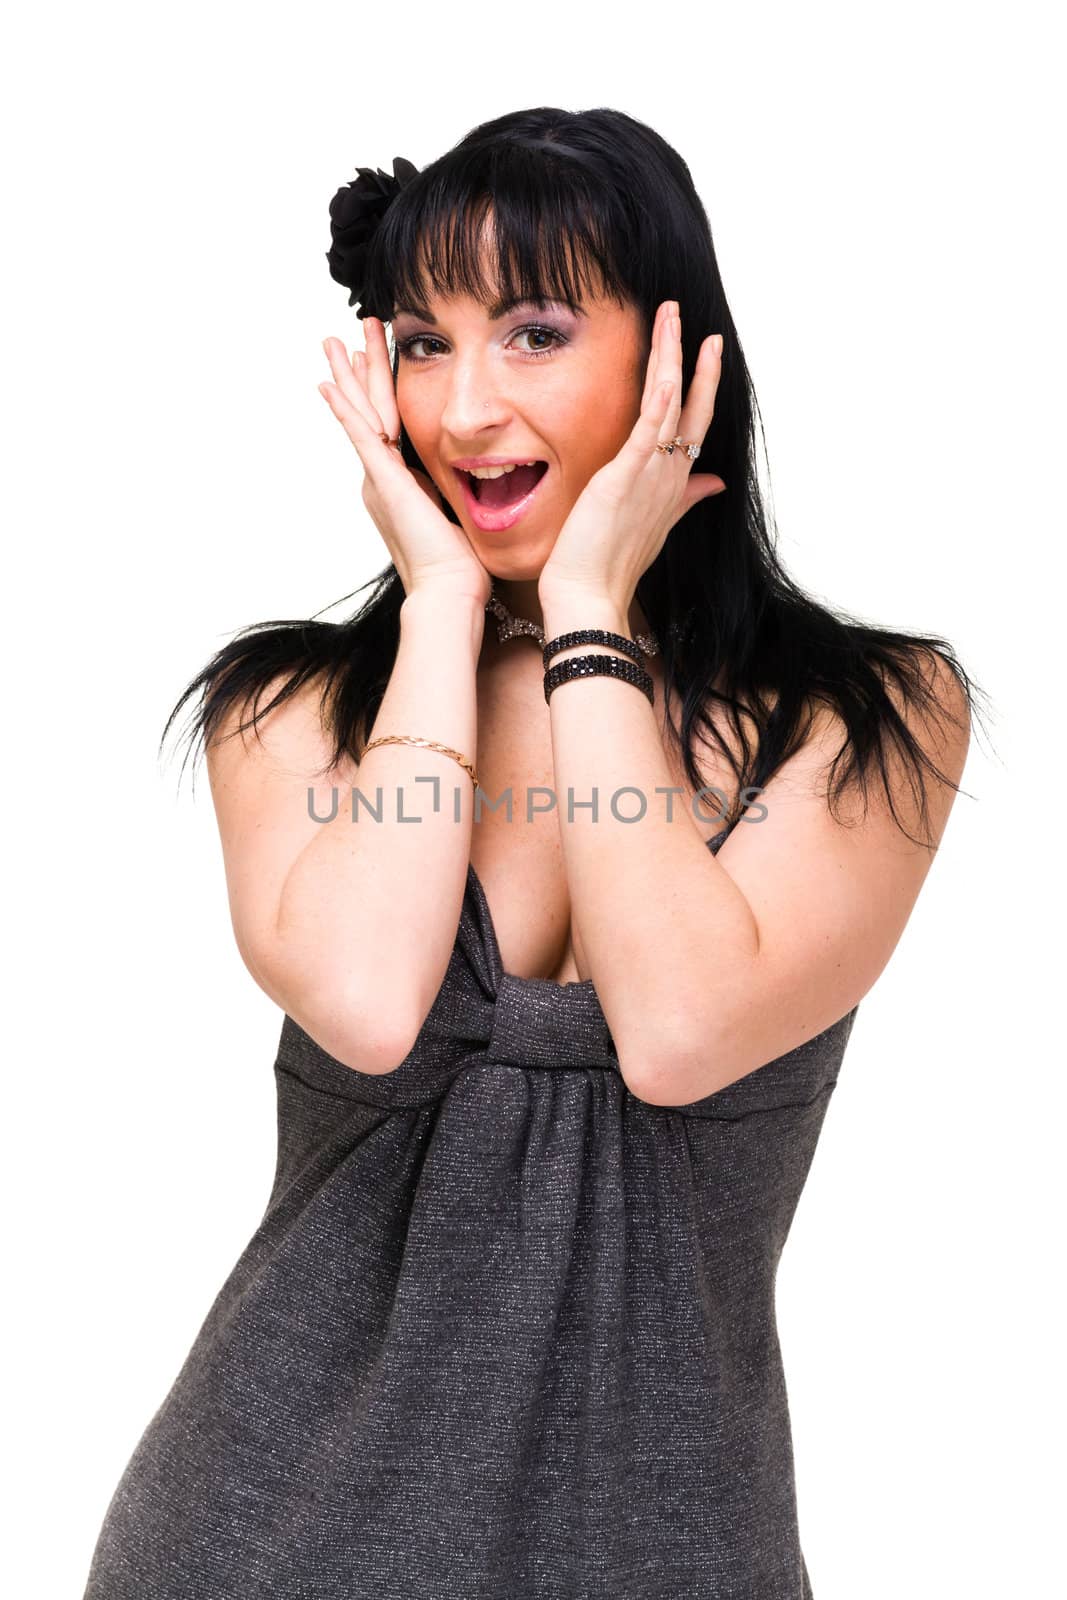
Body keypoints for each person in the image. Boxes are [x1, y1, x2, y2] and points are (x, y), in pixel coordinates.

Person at [82, 106, 984, 1598]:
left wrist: (587, 613)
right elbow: (372, 1004)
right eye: (423, 342)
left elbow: (685, 1031)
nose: (465, 406)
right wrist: (441, 598)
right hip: (259, 1542)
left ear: (680, 353)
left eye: (535, 332)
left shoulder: (866, 717)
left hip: (669, 1555)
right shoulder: (294, 711)